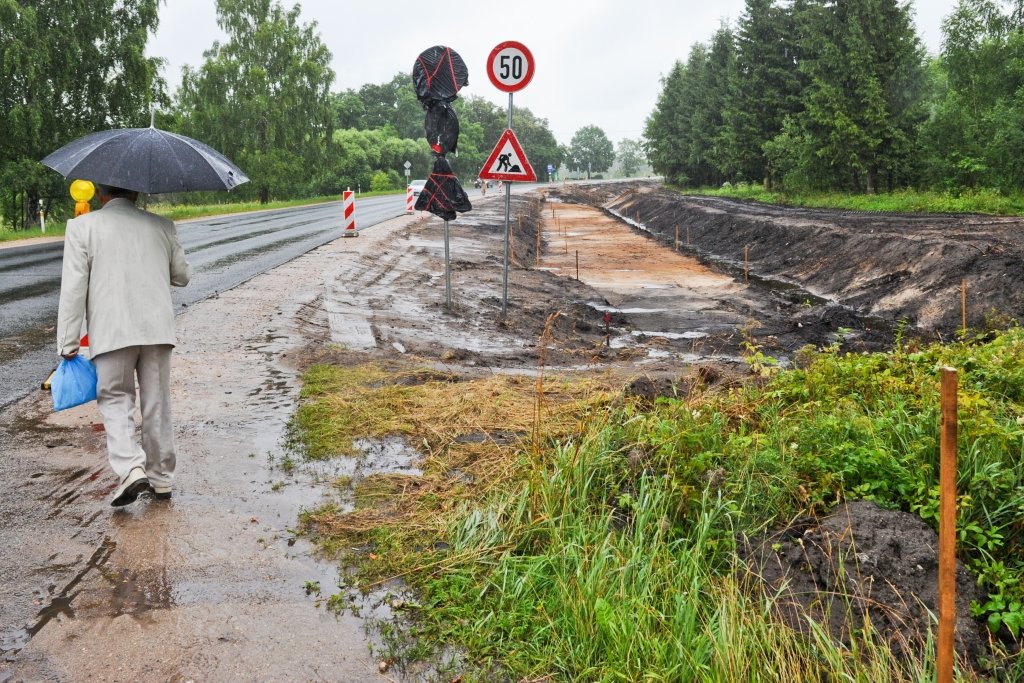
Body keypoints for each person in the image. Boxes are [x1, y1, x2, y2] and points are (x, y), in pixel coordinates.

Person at [57, 184, 192, 506]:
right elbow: (182, 276)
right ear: (136, 193)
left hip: (111, 330)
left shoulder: (82, 227)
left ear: (101, 193)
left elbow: (74, 288)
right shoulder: (162, 226)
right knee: (157, 403)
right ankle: (161, 480)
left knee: (115, 398)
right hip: (157, 331)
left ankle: (131, 469)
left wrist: (68, 341)